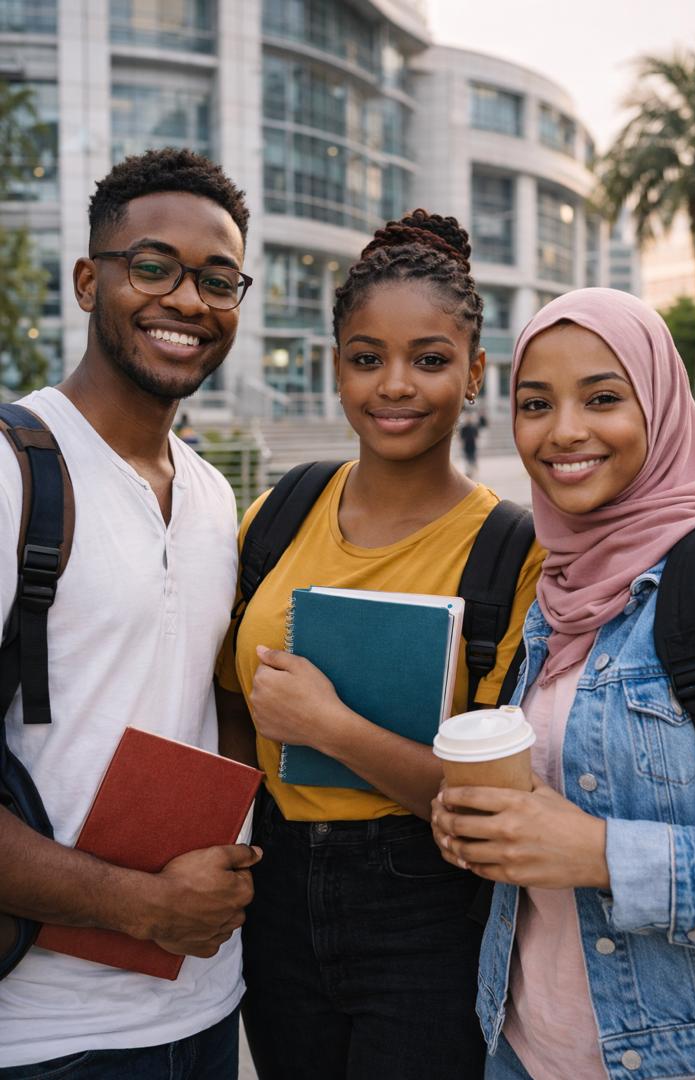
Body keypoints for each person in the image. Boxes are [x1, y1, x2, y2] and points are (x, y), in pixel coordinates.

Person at [214, 209, 545, 1080]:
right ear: (336, 368)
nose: (394, 385)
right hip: (274, 892)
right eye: (367, 358)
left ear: (475, 372)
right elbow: (225, 700)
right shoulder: (279, 514)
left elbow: (492, 806)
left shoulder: (513, 552)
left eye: (430, 360)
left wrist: (330, 728)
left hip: (427, 909)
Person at [0, 148, 259, 1077]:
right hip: (46, 1029)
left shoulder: (213, 494)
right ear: (87, 280)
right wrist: (138, 906)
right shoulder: (14, 470)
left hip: (203, 1000)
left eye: (218, 279)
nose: (188, 300)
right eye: (152, 266)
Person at [432, 287, 695, 1080]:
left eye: (602, 397)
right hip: (520, 1046)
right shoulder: (556, 592)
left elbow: (583, 841)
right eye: (535, 403)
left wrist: (597, 852)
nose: (563, 431)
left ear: (659, 405)